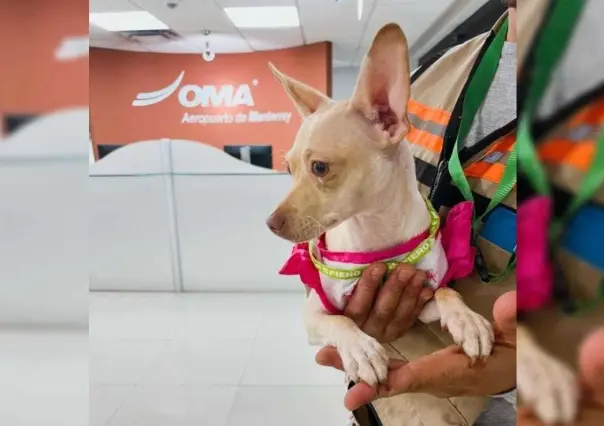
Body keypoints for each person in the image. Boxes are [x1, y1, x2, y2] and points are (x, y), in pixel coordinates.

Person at [316, 1, 519, 425]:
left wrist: (517, 367)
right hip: (395, 404)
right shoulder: (433, 75)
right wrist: (340, 295)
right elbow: (355, 212)